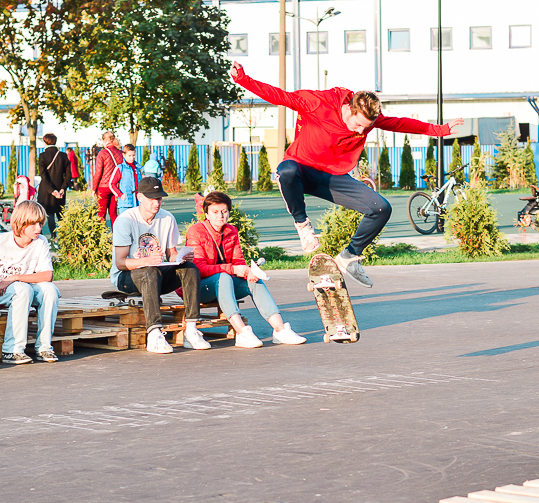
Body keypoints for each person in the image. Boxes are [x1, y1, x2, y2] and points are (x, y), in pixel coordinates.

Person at [229, 61, 463, 288]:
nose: (361, 131)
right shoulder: (318, 103)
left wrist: (439, 130)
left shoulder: (368, 120)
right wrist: (242, 79)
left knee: (381, 208)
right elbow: (279, 95)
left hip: (331, 177)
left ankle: (350, 257)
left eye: (366, 127)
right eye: (358, 125)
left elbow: (400, 124)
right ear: (349, 109)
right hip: (301, 168)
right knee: (286, 171)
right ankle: (303, 225)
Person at [186, 191, 306, 348]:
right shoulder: (196, 231)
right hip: (200, 289)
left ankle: (280, 329)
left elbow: (238, 261)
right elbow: (198, 268)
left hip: (225, 284)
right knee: (224, 277)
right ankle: (242, 333)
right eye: (215, 212)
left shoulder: (231, 231)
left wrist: (248, 271)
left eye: (224, 211)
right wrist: (234, 269)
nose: (220, 216)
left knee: (254, 281)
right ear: (206, 214)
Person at [109, 176, 211, 354]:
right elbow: (120, 263)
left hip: (157, 275)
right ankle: (154, 333)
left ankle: (192, 329)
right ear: (139, 197)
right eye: (152, 198)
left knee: (190, 269)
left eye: (159, 198)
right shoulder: (126, 220)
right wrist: (145, 261)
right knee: (149, 271)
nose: (156, 202)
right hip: (126, 278)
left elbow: (171, 253)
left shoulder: (167, 218)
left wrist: (180, 256)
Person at [0, 201, 61, 365]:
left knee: (50, 290)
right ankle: (12, 350)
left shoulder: (40, 242)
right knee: (22, 289)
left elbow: (47, 275)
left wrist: (14, 277)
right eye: (33, 224)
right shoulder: (0, 240)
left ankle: (44, 347)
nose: (38, 229)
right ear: (20, 222)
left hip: (19, 286)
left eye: (40, 223)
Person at [37, 133, 72, 236]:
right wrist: (62, 189)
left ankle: (54, 237)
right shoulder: (63, 156)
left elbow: (43, 175)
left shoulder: (42, 156)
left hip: (46, 190)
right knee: (61, 214)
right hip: (60, 189)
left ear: (45, 142)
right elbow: (68, 174)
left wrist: (52, 190)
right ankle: (64, 236)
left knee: (50, 214)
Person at [92, 131, 124, 226]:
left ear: (104, 140)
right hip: (115, 187)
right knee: (113, 213)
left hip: (103, 187)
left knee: (101, 214)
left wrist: (94, 189)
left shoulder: (102, 153)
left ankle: (103, 238)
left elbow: (98, 173)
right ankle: (116, 238)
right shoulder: (121, 153)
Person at [109, 143, 141, 215]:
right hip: (125, 203)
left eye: (133, 155)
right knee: (125, 224)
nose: (132, 158)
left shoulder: (138, 168)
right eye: (129, 155)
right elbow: (111, 184)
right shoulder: (120, 168)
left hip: (138, 202)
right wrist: (120, 195)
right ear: (124, 155)